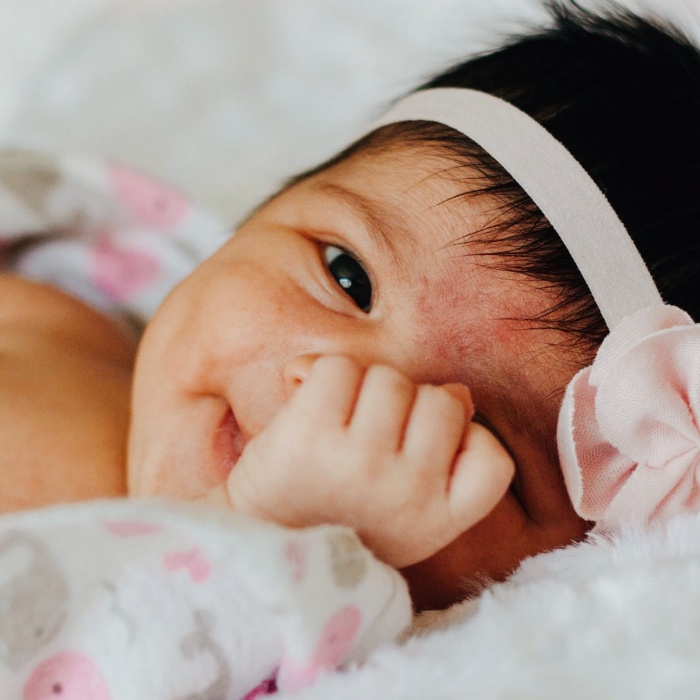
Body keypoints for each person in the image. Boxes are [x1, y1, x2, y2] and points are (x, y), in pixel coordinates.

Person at [1, 0, 699, 614]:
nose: (337, 395)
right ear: (262, 210)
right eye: (347, 277)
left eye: (475, 434)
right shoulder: (58, 324)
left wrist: (267, 538)